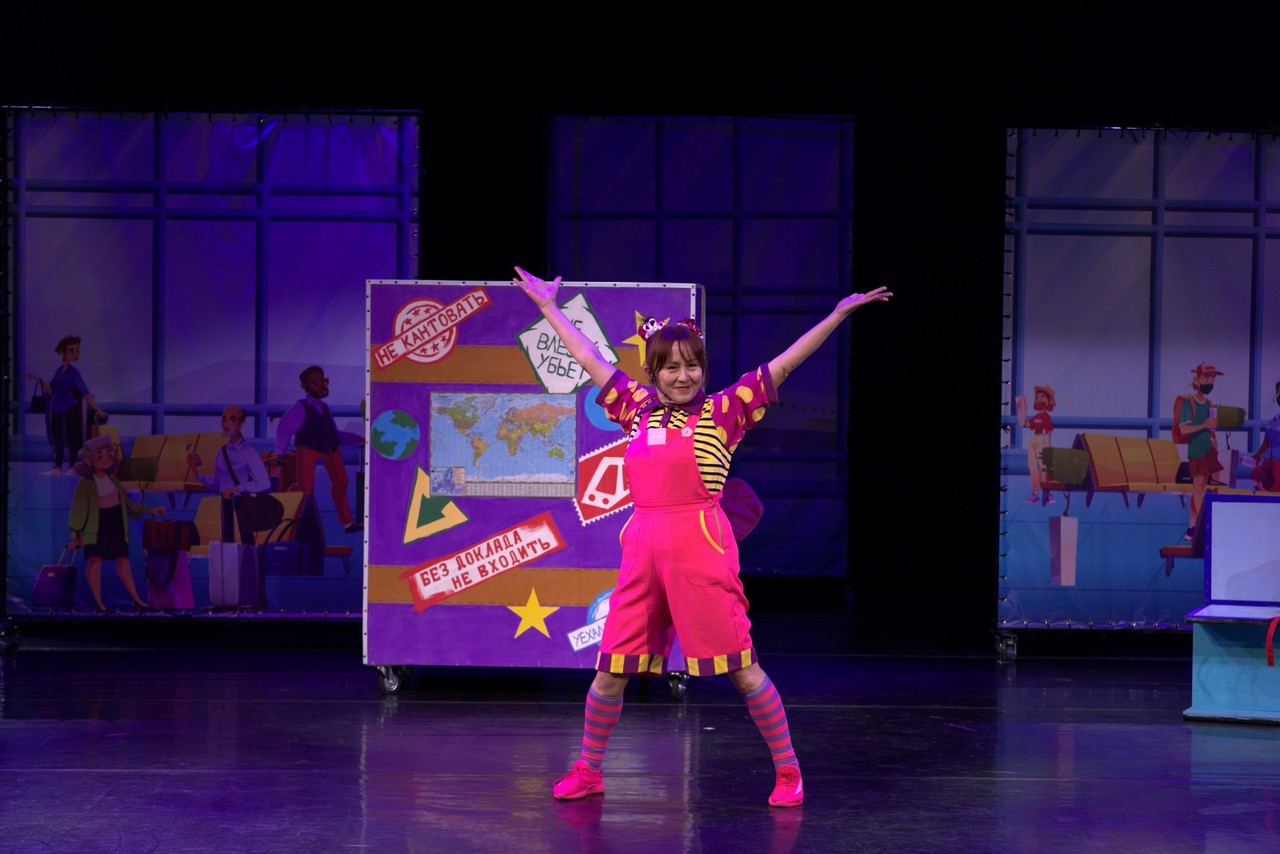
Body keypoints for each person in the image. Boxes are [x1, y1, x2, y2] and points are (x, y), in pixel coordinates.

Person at [514, 265, 891, 808]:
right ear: (653, 371)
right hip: (642, 548)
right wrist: (549, 308)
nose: (683, 376)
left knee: (742, 669)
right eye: (671, 367)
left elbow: (785, 363)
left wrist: (837, 315)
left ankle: (788, 770)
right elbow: (590, 359)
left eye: (692, 365)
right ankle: (589, 769)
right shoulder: (636, 409)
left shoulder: (725, 411)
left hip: (700, 546)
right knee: (610, 671)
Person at [67, 433, 166, 611]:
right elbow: (78, 512)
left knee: (123, 560)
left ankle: (136, 599)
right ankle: (99, 603)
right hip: (96, 525)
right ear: (88, 460)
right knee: (95, 561)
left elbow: (126, 504)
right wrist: (75, 536)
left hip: (116, 522)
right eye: (100, 456)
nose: (106, 458)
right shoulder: (85, 484)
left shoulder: (112, 479)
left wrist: (150, 510)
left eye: (108, 453)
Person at [272, 366, 363, 534]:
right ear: (305, 386)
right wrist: (280, 452)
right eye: (315, 383)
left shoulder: (325, 408)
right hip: (308, 448)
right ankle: (296, 520)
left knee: (342, 481)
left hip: (330, 448)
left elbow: (335, 434)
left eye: (323, 382)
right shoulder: (300, 407)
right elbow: (284, 428)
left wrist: (358, 439)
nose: (321, 386)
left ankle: (347, 523)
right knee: (305, 488)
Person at [189, 405, 276, 543]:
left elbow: (264, 483)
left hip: (243, 503)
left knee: (246, 542)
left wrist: (237, 488)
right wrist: (195, 471)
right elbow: (215, 484)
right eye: (224, 420)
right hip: (225, 504)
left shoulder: (249, 452)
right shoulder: (221, 452)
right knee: (226, 544)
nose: (226, 425)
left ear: (241, 424)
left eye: (232, 420)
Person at [26, 335, 108, 475]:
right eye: (72, 351)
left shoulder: (74, 373)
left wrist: (98, 409)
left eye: (77, 350)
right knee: (56, 437)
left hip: (70, 406)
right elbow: (51, 389)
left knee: (71, 437)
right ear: (62, 353)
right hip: (55, 407)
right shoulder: (59, 371)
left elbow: (85, 392)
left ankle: (72, 466)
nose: (76, 354)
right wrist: (37, 379)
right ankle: (58, 467)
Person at [1176, 362, 1224, 541]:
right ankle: (1203, 524)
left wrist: (1215, 443)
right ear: (1197, 379)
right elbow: (1183, 430)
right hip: (1196, 451)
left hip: (1208, 450)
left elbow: (1211, 429)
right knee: (1197, 488)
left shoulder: (1209, 404)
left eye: (1212, 380)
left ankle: (1192, 527)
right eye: (1206, 379)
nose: (1210, 383)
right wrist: (1204, 425)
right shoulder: (1189, 404)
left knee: (1200, 487)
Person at [1015, 385, 1056, 504]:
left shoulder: (1046, 417)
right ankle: (1035, 493)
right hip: (1033, 440)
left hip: (1041, 440)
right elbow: (1024, 423)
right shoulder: (1037, 417)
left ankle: (1049, 493)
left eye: (1043, 397)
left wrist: (1049, 443)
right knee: (1032, 467)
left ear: (1048, 400)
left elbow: (1049, 430)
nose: (1040, 399)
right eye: (1038, 397)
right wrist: (1021, 409)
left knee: (1044, 467)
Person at [1250, 380, 1280, 492]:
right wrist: (1257, 456)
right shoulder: (1275, 420)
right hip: (1271, 461)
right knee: (1256, 474)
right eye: (1279, 392)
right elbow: (1267, 441)